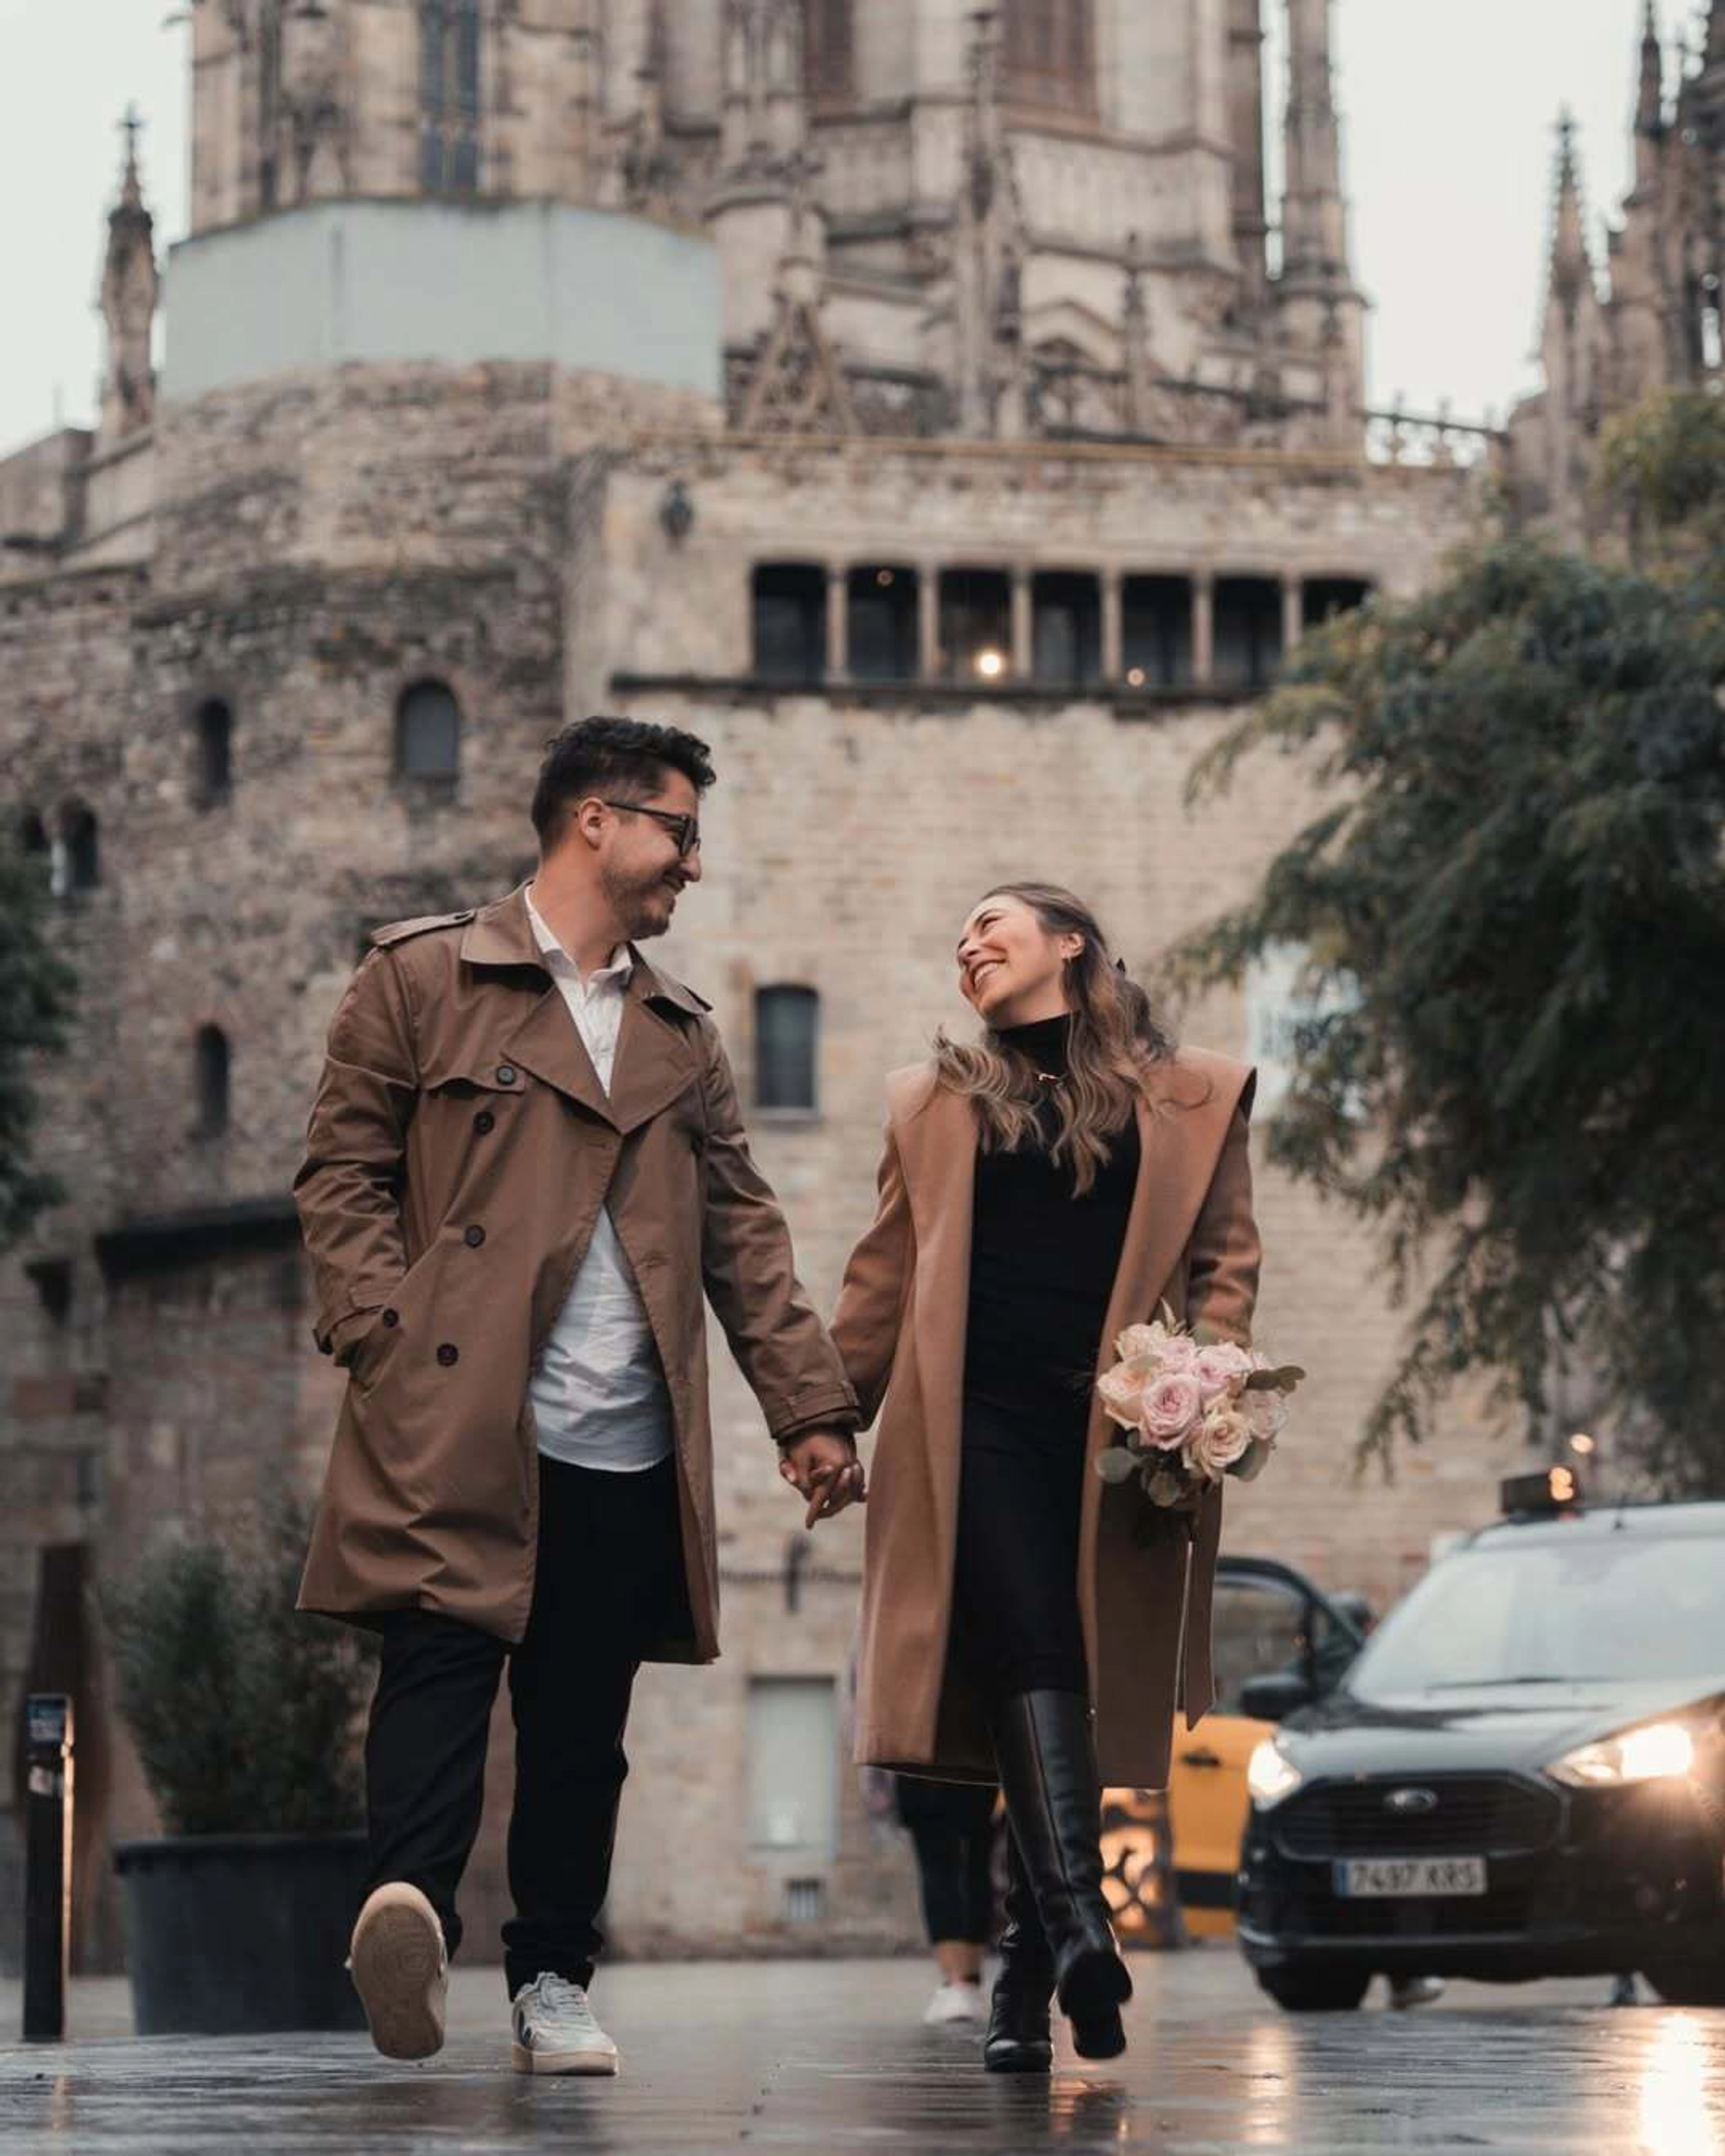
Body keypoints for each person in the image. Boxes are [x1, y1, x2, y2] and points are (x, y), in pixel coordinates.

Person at [294, 715, 864, 2075]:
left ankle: (552, 1979)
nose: (693, 866)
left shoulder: (682, 1033)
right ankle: (409, 1915)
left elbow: (743, 1235)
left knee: (579, 1729)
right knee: (434, 1672)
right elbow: (341, 1173)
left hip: (624, 1431)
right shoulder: (422, 978)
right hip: (457, 1405)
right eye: (679, 832)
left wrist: (810, 1410)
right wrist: (381, 1332)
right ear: (595, 820)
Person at [832, 882, 1259, 2072]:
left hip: (1112, 1438)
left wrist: (1209, 1384)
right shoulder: (934, 1102)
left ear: (1070, 941)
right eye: (959, 935)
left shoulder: (1193, 1096)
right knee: (1034, 1641)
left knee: (1061, 1676)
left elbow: (1225, 1264)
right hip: (966, 1424)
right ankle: (1080, 1924)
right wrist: (823, 1418)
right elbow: (879, 1280)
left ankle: (1027, 1974)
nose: (968, 942)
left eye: (993, 922)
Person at [893, 1774, 1001, 2024]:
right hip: (982, 1766)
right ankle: (969, 1982)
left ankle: (956, 1983)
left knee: (937, 1863)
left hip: (924, 1767)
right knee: (977, 1862)